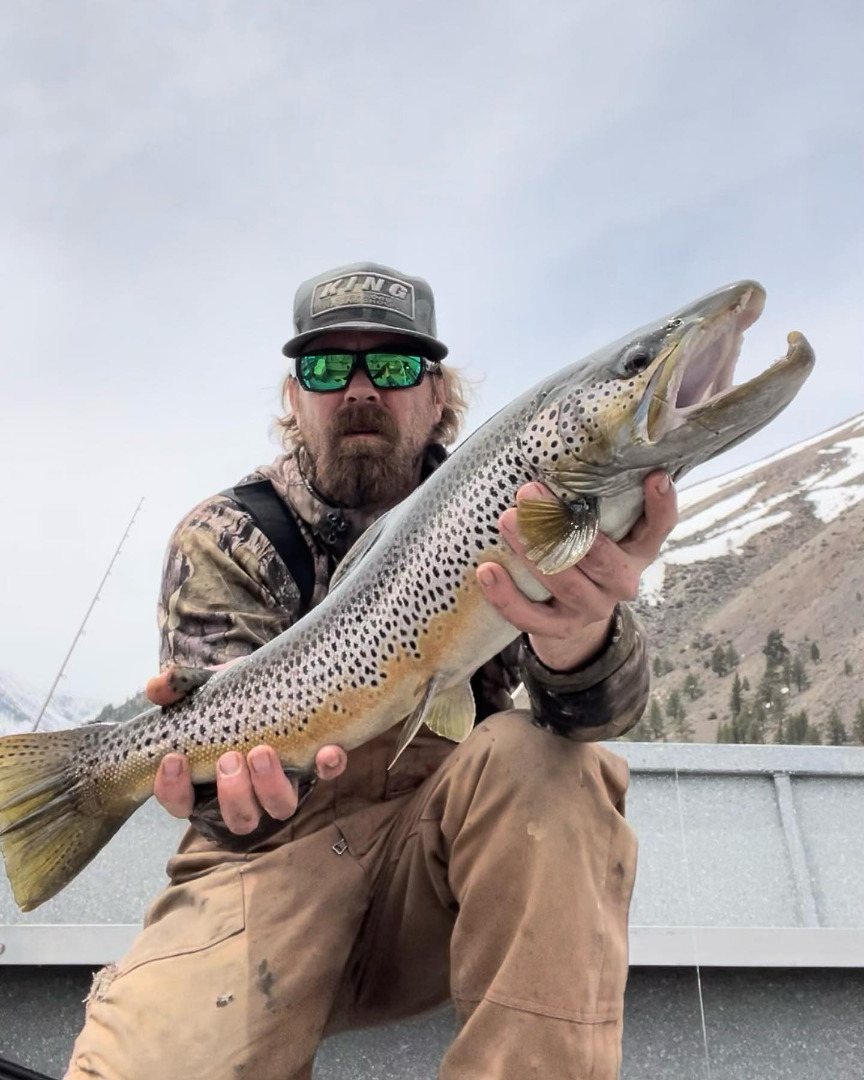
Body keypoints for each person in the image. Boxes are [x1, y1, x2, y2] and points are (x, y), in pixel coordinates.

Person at [66, 262, 678, 1080]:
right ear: (295, 397)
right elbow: (218, 785)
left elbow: (597, 719)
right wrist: (220, 791)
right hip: (261, 871)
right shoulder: (226, 536)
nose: (360, 388)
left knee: (552, 765)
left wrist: (582, 635)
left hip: (435, 880)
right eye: (327, 366)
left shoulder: (520, 508)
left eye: (391, 365)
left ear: (437, 395)